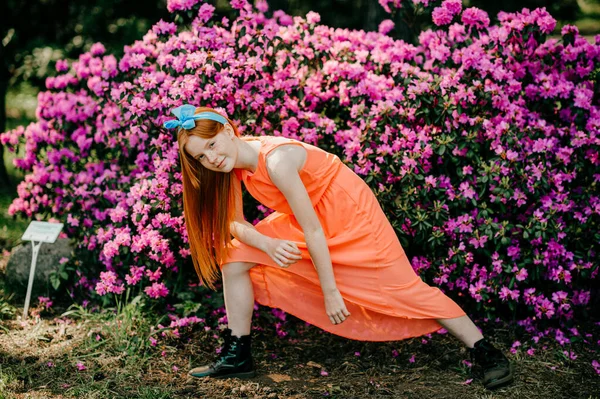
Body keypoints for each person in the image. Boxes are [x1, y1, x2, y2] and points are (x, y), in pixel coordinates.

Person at [162, 104, 515, 390]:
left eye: (211, 146)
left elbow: (315, 231)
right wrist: (267, 243)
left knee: (403, 289)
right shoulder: (233, 166)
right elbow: (233, 225)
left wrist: (331, 292)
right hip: (310, 220)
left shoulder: (276, 161)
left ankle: (485, 351)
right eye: (201, 158)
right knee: (234, 255)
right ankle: (238, 354)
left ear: (227, 130)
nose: (211, 159)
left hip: (351, 217)